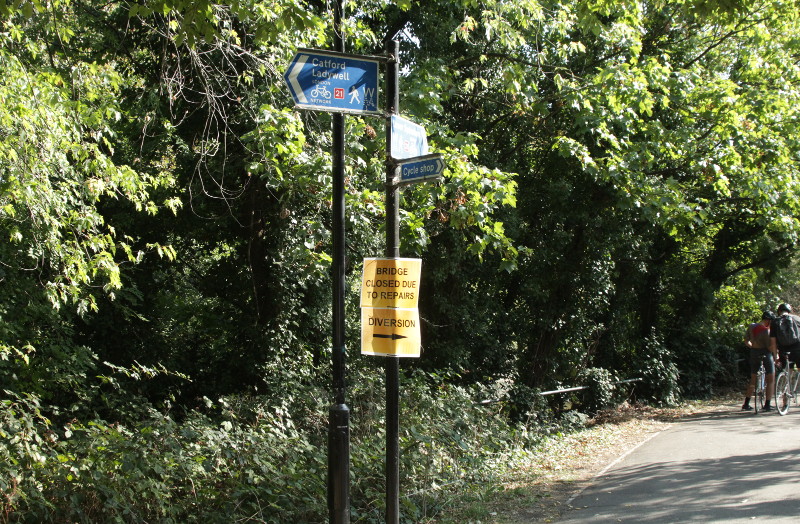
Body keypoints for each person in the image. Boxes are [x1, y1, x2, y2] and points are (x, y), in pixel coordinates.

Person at [742, 311, 778, 411]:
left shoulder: (752, 326)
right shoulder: (767, 331)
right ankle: (767, 404)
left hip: (754, 353)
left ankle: (746, 403)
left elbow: (746, 341)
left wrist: (753, 347)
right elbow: (770, 347)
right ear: (769, 320)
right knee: (771, 378)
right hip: (766, 354)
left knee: (753, 378)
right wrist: (776, 355)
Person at [774, 303, 800, 369]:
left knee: (787, 369)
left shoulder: (775, 321)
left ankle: (786, 378)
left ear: (779, 311)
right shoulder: (797, 318)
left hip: (783, 350)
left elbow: (772, 342)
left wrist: (776, 356)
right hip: (797, 349)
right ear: (789, 310)